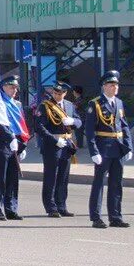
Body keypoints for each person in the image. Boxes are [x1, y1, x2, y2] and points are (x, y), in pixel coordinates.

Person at [85, 70, 134, 229]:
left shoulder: (118, 103)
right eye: (112, 84)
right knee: (99, 183)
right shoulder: (95, 104)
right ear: (104, 86)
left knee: (116, 183)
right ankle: (96, 217)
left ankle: (115, 216)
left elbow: (124, 125)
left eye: (116, 85)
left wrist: (128, 147)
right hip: (103, 148)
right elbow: (90, 130)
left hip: (118, 148)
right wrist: (93, 152)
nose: (115, 87)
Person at [35, 81, 79, 217]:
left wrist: (73, 122)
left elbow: (79, 120)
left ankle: (61, 205)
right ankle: (51, 207)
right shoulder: (45, 106)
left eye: (60, 94)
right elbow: (39, 127)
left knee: (63, 177)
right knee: (51, 177)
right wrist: (55, 140)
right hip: (51, 145)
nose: (57, 96)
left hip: (66, 144)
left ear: (65, 93)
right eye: (55, 93)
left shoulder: (69, 106)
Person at [0, 75, 26, 221]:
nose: (14, 90)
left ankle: (11, 209)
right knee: (0, 178)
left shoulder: (17, 104)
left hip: (16, 142)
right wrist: (10, 137)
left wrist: (23, 143)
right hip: (3, 143)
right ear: (3, 87)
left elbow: (22, 123)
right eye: (12, 87)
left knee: (13, 178)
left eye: (16, 87)